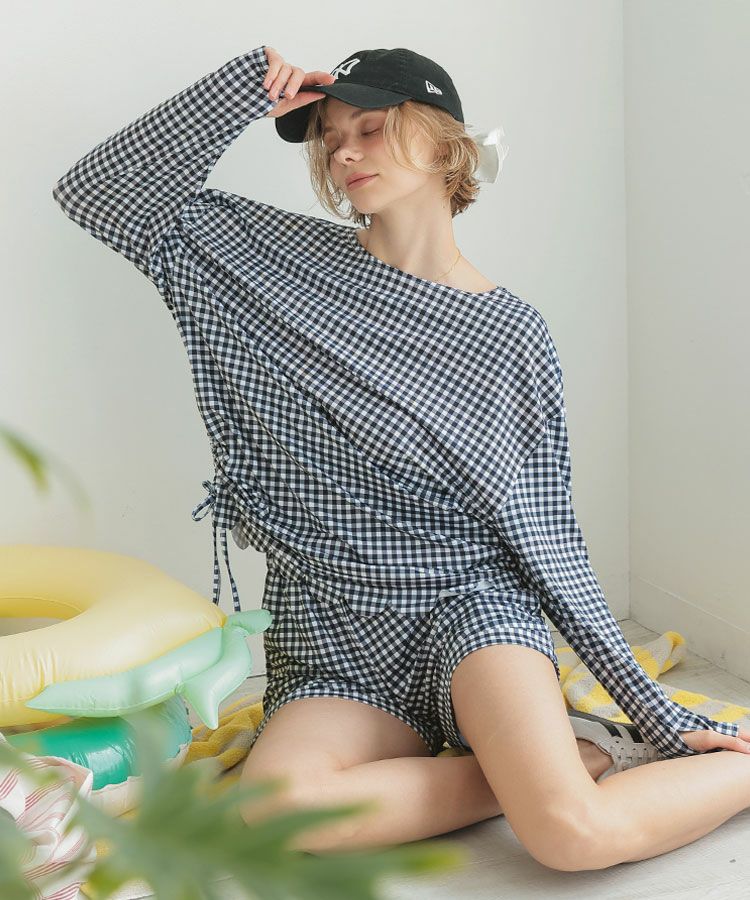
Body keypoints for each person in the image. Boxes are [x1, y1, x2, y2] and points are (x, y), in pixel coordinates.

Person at [52, 43, 750, 870]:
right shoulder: (270, 261)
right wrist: (243, 90)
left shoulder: (511, 335)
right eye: (330, 137)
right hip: (331, 630)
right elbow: (97, 193)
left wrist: (657, 713)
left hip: (469, 611)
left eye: (372, 128)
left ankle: (611, 771)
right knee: (273, 813)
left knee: (570, 836)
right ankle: (576, 754)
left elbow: (546, 537)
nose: (344, 152)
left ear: (442, 140)